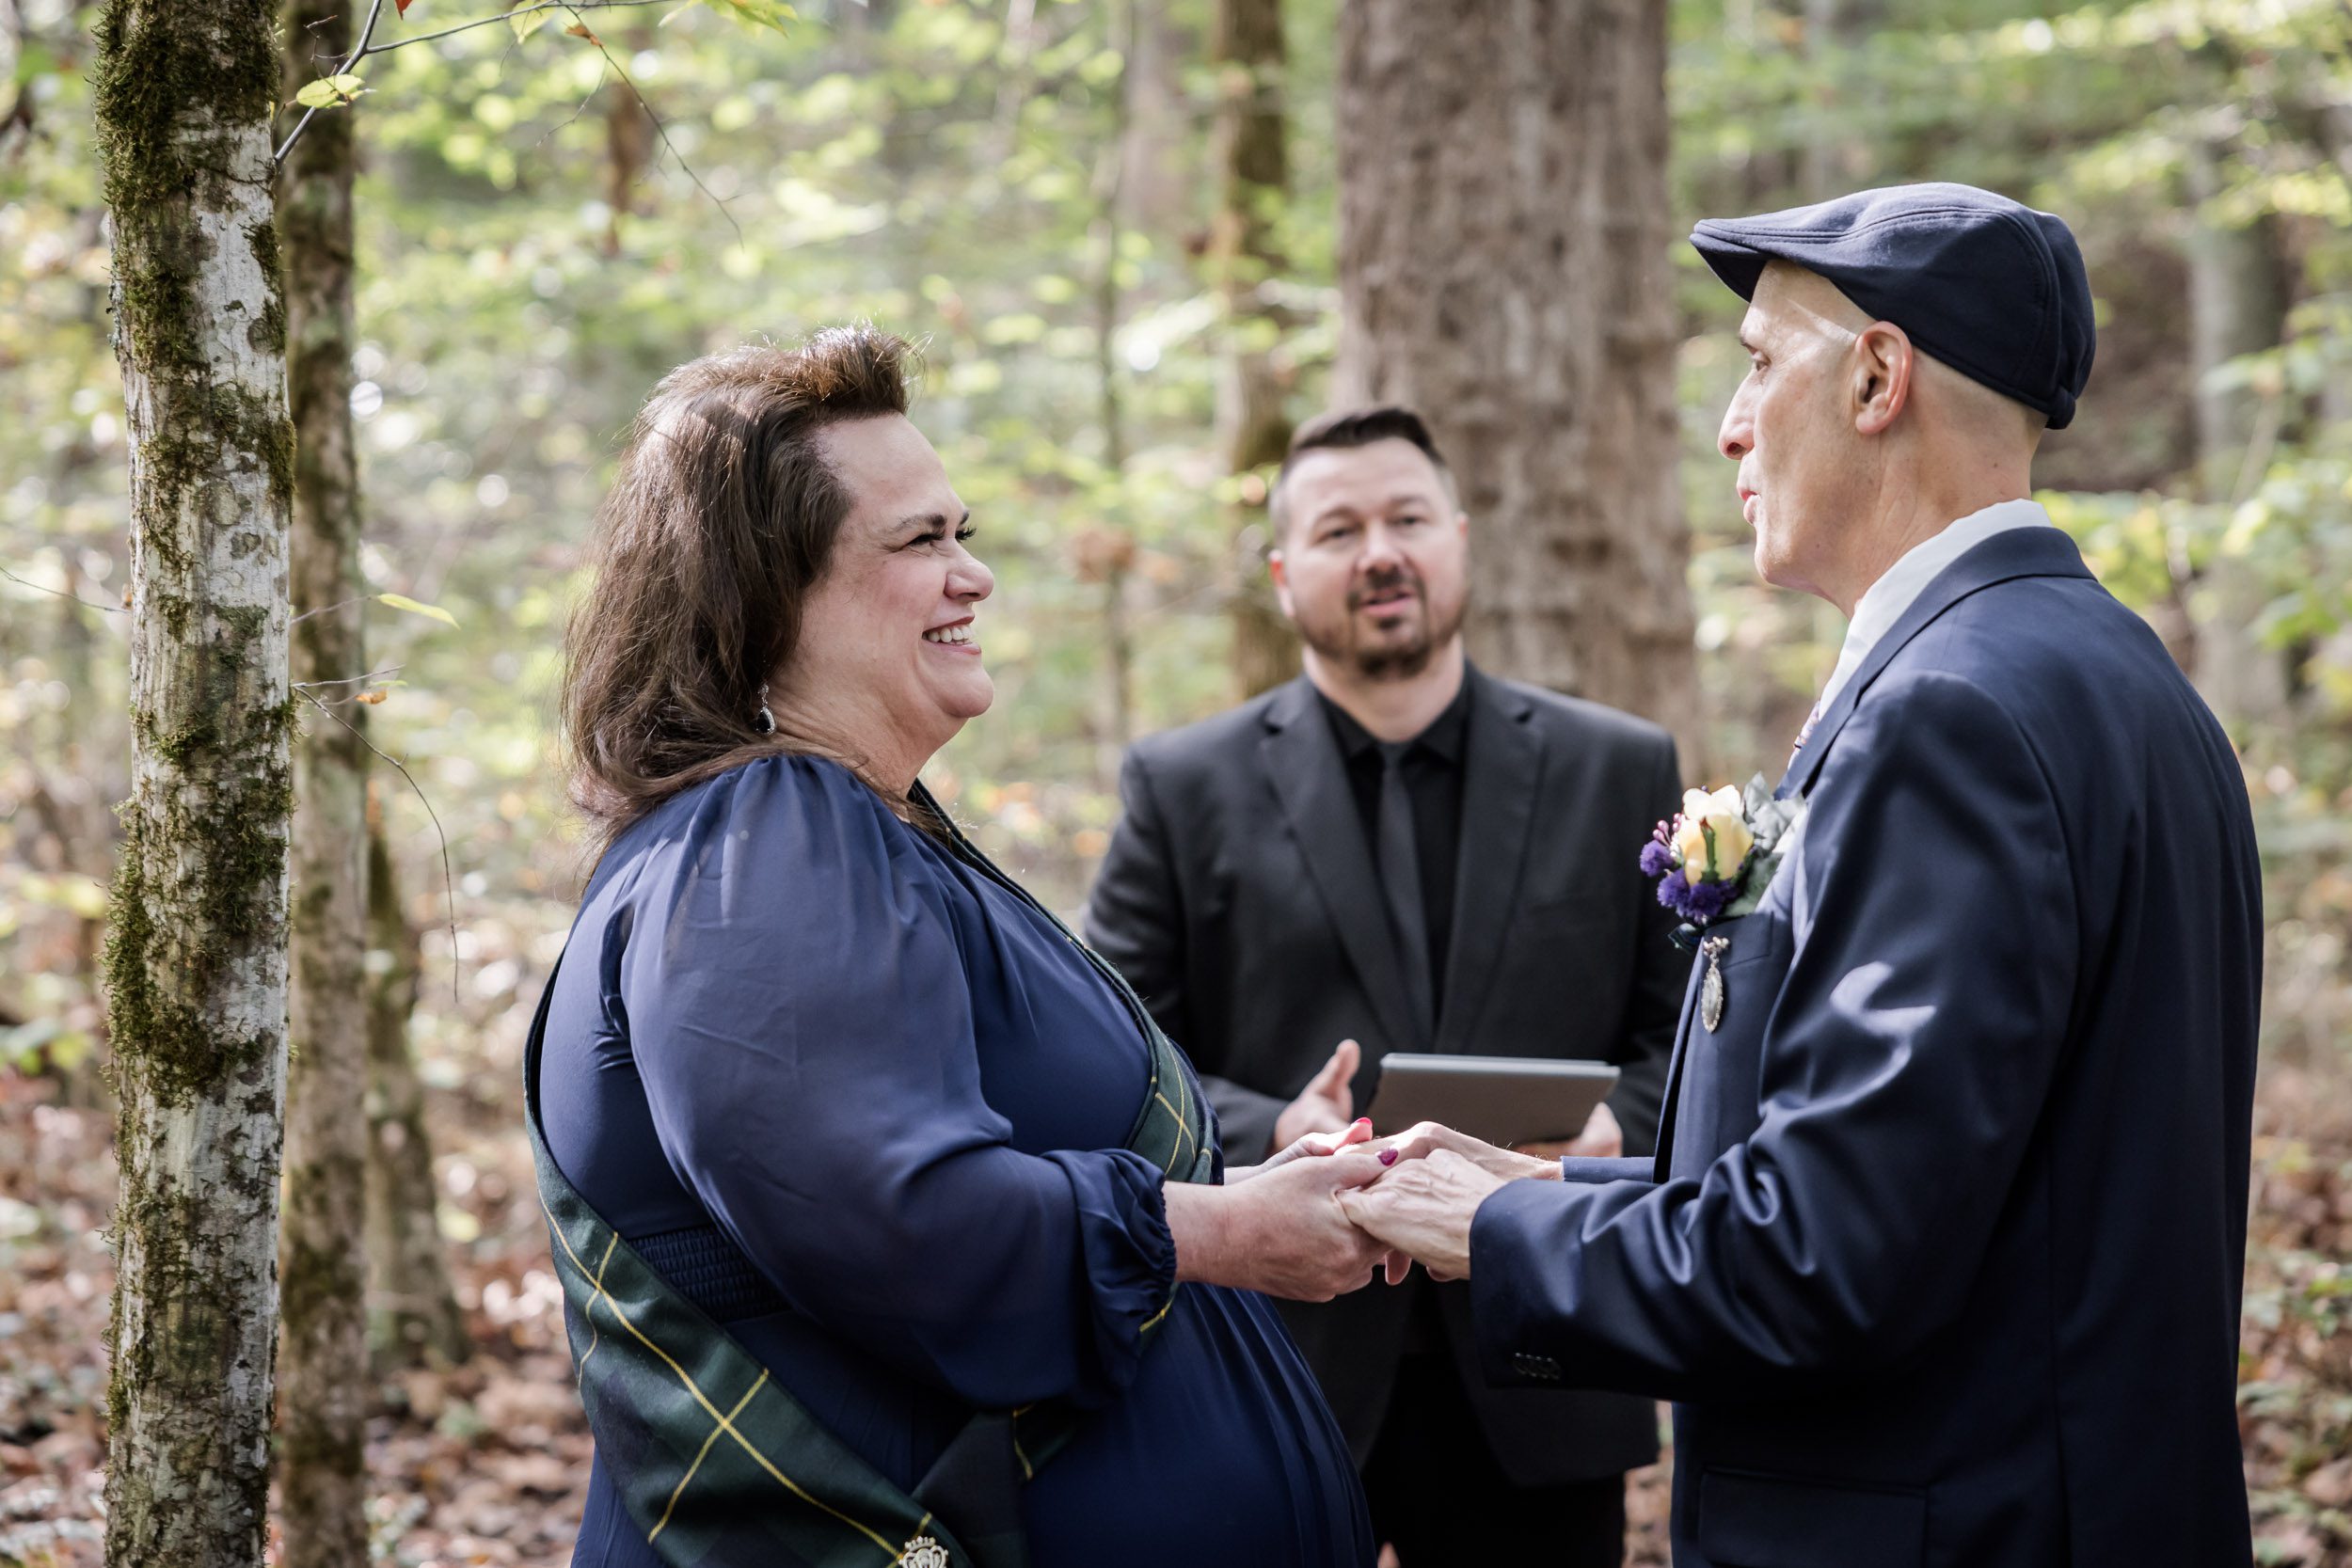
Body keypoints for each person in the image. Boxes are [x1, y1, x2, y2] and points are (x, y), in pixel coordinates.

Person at [1341, 182, 2263, 1567]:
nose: (1729, 422)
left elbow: (1831, 1255)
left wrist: (1505, 1228)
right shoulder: (2119, 678)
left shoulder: (1950, 713)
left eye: (1763, 362)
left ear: (1880, 377)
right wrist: (1551, 1188)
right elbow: (1956, 1186)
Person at [533, 326, 1387, 1568]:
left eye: (963, 532)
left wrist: (1250, 1161)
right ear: (769, 591)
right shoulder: (768, 837)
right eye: (920, 541)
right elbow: (895, 1215)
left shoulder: (843, 828)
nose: (972, 577)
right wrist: (1221, 1233)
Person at [1085, 406, 1683, 1563]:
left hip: (1544, 1358)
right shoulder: (1181, 785)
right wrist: (1272, 1126)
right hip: (1278, 1363)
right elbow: (1114, 1047)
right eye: (1338, 529)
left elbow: (1696, 1030)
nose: (1379, 552)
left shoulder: (1618, 764)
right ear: (1281, 572)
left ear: (1457, 537)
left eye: (1407, 517)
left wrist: (1617, 1125)